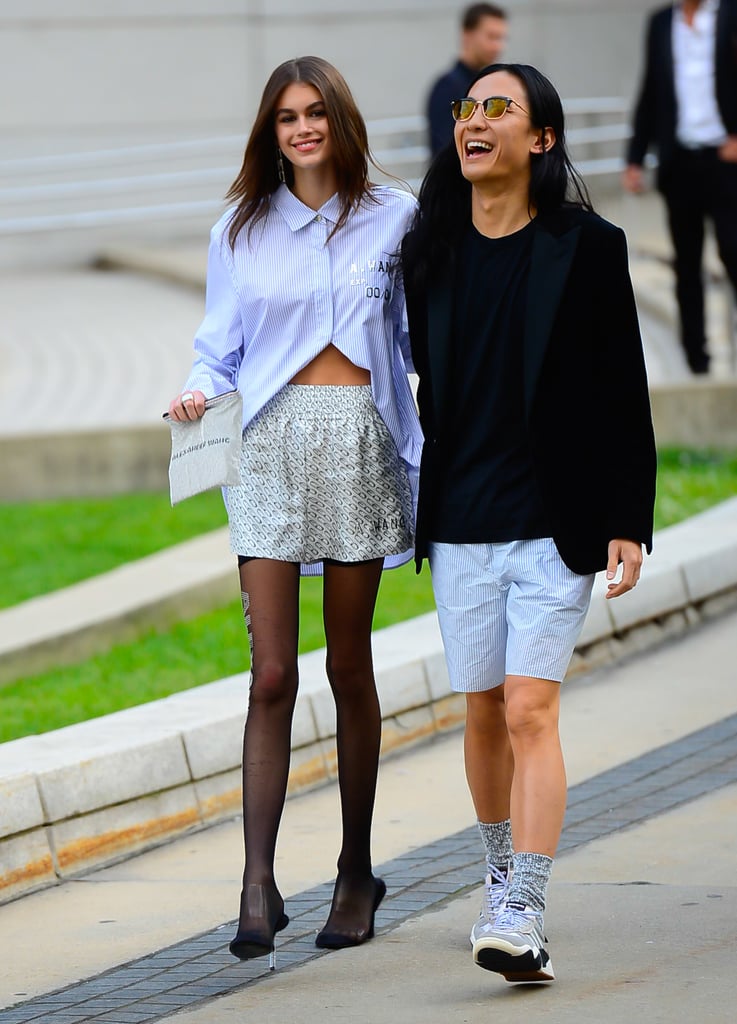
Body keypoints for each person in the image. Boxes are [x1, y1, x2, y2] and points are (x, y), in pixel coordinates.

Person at [402, 63, 657, 984]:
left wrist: (629, 513)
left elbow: (619, 384)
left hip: (555, 520)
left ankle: (525, 904)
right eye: (467, 109)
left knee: (527, 707)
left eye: (497, 108)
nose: (474, 121)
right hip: (462, 517)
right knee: (479, 714)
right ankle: (498, 871)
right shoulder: (429, 246)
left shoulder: (588, 247)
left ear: (540, 138)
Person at [168, 55, 422, 966]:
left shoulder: (395, 217)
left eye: (315, 113)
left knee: (348, 666)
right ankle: (255, 882)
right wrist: (198, 393)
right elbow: (216, 348)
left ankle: (356, 871)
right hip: (270, 451)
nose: (302, 128)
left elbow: (416, 333)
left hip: (361, 444)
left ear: (339, 120)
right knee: (271, 673)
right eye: (285, 117)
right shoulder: (239, 228)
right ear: (269, 132)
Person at [623, 0, 737, 375]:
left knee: (732, 251)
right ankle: (697, 363)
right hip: (679, 163)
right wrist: (635, 157)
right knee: (686, 267)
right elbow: (651, 88)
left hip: (726, 161)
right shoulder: (659, 23)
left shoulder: (730, 13)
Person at [426, 4, 508, 157]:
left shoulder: (491, 84)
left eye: (501, 38)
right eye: (491, 37)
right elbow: (444, 152)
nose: (498, 46)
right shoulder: (448, 87)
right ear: (467, 35)